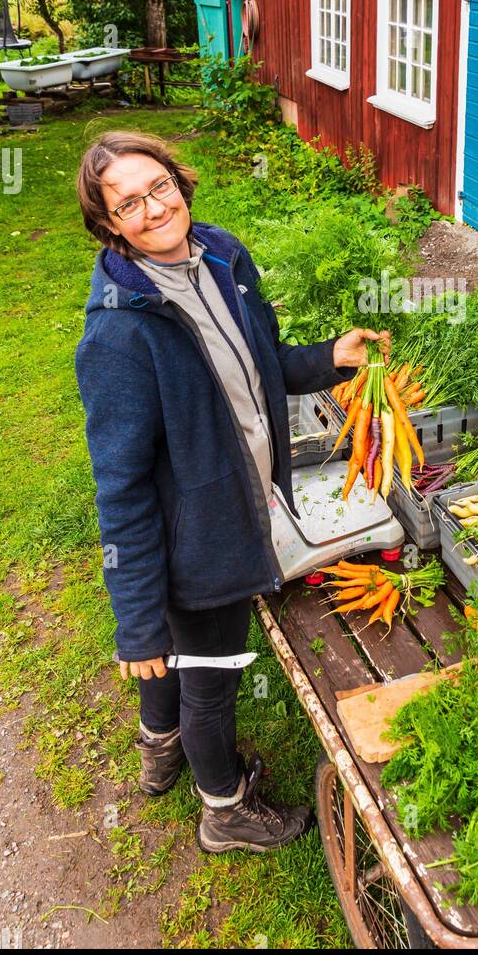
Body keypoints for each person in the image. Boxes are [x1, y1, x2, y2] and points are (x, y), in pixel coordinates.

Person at [74, 130, 389, 853]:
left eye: (158, 187)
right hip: (198, 537)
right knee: (209, 673)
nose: (153, 209)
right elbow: (119, 489)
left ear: (179, 182)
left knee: (176, 659)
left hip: (239, 497)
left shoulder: (222, 256)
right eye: (128, 204)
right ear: (109, 227)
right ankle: (225, 810)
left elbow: (260, 361)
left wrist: (327, 359)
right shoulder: (119, 337)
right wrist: (136, 620)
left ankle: (161, 745)